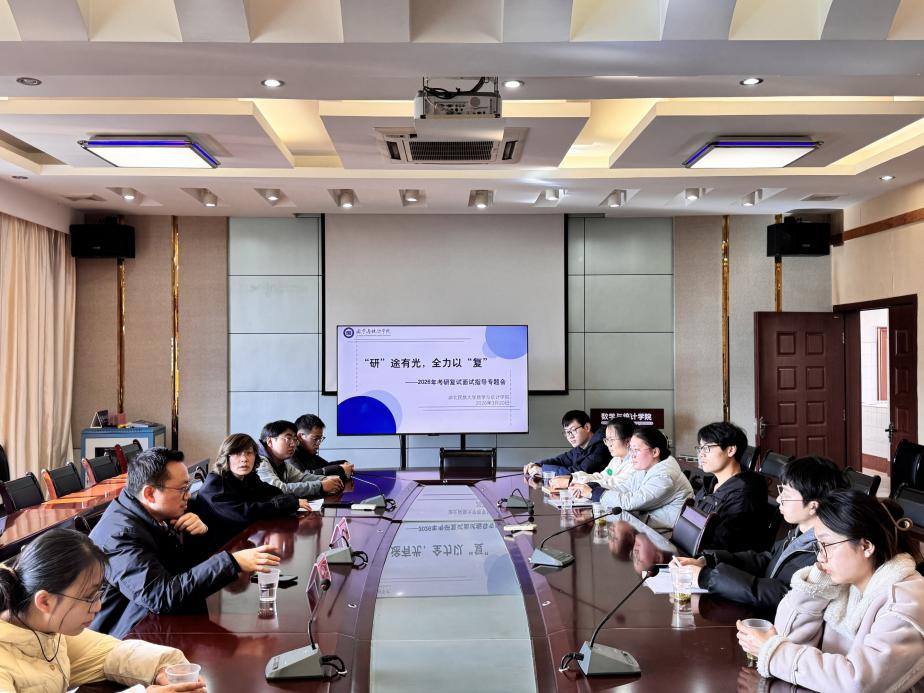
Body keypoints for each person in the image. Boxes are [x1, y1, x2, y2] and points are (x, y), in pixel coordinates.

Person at [738, 489, 924, 693]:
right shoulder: (846, 584)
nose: (820, 557)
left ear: (866, 546)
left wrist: (774, 652)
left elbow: (858, 684)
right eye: (818, 546)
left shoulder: (905, 602)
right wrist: (816, 585)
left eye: (827, 545)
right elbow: (789, 638)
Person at [89, 447, 280, 638]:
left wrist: (200, 535)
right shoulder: (119, 535)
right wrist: (232, 562)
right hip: (123, 639)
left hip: (158, 625)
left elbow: (184, 573)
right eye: (182, 489)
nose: (188, 495)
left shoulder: (155, 513)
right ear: (149, 494)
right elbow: (161, 596)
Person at [0, 527, 205, 693]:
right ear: (45, 601)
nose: (98, 606)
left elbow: (110, 653)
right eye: (89, 597)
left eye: (99, 594)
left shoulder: (46, 628)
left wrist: (162, 669)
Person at [673, 455, 847, 612]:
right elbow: (767, 560)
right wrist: (709, 561)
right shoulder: (800, 532)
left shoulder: (824, 551)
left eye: (786, 494)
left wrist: (707, 577)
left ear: (813, 506)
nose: (778, 499)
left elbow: (784, 595)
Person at [574, 427, 692, 534]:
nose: (632, 455)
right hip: (644, 527)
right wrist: (594, 487)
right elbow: (625, 488)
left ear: (655, 452)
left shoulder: (665, 476)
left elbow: (630, 502)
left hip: (663, 537)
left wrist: (594, 493)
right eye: (630, 449)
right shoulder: (648, 466)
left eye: (636, 450)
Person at [198, 433, 309, 539]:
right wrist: (287, 504)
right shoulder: (215, 486)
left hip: (244, 537)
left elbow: (274, 493)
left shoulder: (248, 477)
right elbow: (245, 514)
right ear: (226, 457)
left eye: (249, 453)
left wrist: (287, 502)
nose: (244, 459)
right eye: (237, 453)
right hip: (221, 547)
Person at [688, 422, 767, 552]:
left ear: (730, 450)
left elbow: (723, 542)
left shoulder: (743, 492)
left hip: (716, 559)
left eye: (707, 448)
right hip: (693, 548)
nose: (701, 454)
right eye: (700, 448)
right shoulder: (711, 483)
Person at [256, 420, 343, 499]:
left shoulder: (281, 462)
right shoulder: (259, 462)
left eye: (295, 439)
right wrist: (320, 486)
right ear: (270, 442)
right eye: (288, 439)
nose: (293, 444)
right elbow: (278, 490)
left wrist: (325, 479)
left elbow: (302, 478)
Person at [559, 417, 636, 494]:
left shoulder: (635, 463)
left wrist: (580, 484)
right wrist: (573, 477)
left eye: (612, 439)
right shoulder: (616, 459)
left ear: (628, 441)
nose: (608, 444)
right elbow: (603, 476)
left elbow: (612, 484)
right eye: (607, 440)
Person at [522, 410, 609, 477]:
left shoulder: (602, 446)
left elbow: (578, 473)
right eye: (567, 432)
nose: (570, 436)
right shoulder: (580, 447)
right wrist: (538, 464)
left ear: (587, 427)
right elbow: (560, 460)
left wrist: (544, 470)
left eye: (573, 430)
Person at [291, 414, 354, 479]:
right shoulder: (290, 453)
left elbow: (326, 466)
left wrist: (344, 463)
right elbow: (303, 476)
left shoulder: (307, 453)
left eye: (320, 439)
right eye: (315, 439)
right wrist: (340, 468)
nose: (318, 444)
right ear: (301, 436)